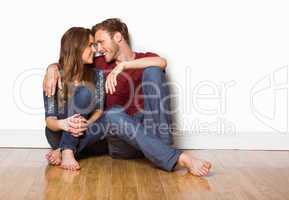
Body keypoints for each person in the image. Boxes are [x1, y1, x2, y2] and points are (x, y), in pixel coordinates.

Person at [43, 18, 212, 176]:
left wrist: (124, 65)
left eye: (101, 42)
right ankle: (178, 158)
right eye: (94, 45)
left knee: (154, 70)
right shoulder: (99, 64)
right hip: (120, 136)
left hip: (150, 130)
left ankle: (163, 147)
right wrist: (51, 68)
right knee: (113, 113)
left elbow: (162, 62)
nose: (98, 49)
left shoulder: (145, 59)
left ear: (117, 37)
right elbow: (72, 60)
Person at [44, 27, 107, 170]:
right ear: (77, 47)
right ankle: (67, 150)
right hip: (57, 132)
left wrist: (85, 123)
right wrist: (65, 124)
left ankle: (64, 150)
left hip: (84, 131)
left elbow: (99, 110)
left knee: (110, 117)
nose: (95, 49)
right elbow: (50, 120)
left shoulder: (97, 75)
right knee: (85, 92)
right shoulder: (53, 77)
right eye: (90, 45)